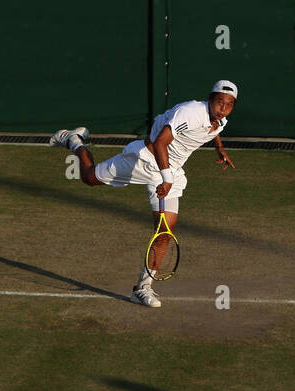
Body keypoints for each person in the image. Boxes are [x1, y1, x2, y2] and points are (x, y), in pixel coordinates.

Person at [48, 80, 239, 307]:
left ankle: (142, 288)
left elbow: (214, 130)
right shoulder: (190, 113)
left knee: (165, 232)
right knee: (89, 178)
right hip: (145, 160)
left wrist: (220, 149)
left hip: (172, 171)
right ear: (210, 99)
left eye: (229, 105)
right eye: (219, 102)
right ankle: (74, 141)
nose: (223, 108)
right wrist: (166, 178)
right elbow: (160, 143)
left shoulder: (220, 120)